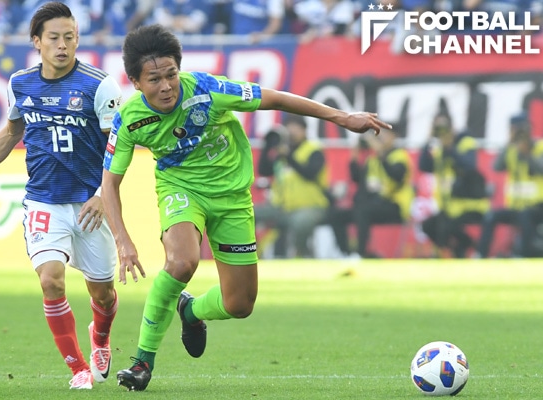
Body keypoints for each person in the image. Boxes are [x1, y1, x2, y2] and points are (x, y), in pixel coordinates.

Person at [101, 23, 391, 392]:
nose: (166, 86)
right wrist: (123, 241)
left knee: (239, 304)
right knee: (181, 262)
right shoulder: (129, 119)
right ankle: (143, 361)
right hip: (181, 190)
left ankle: (191, 310)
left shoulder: (207, 89)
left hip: (233, 198)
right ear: (135, 82)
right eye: (154, 79)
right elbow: (110, 184)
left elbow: (277, 99)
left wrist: (343, 117)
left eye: (171, 74)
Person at [0, 2, 122, 390]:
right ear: (37, 42)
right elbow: (12, 132)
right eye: (55, 38)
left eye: (70, 37)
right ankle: (78, 368)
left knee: (103, 294)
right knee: (51, 281)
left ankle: (101, 336)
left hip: (90, 203)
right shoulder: (20, 83)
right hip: (43, 200)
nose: (63, 45)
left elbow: (119, 144)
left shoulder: (99, 85)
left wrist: (101, 194)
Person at [254, 114, 331, 258]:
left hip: (311, 206)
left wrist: (288, 156)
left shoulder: (314, 150)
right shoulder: (282, 151)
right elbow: (264, 170)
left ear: (304, 130)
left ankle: (300, 254)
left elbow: (309, 173)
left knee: (301, 222)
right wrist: (267, 146)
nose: (292, 131)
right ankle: (251, 254)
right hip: (282, 207)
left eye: (296, 128)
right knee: (249, 213)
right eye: (289, 127)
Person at [329, 127, 413, 258]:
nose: (380, 138)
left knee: (363, 211)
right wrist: (355, 155)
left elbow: (396, 176)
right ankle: (347, 252)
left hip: (395, 205)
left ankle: (361, 253)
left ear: (394, 137)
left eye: (384, 135)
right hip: (373, 204)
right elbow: (358, 180)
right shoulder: (373, 159)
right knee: (337, 215)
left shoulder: (400, 156)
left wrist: (380, 153)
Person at [419, 113, 490, 258]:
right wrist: (428, 140)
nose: (442, 132)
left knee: (446, 225)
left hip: (470, 204)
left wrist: (450, 148)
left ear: (452, 127)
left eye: (444, 127)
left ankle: (462, 249)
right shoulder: (439, 148)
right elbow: (424, 166)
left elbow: (469, 166)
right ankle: (461, 248)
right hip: (450, 206)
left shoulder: (465, 142)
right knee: (428, 226)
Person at [476, 113, 543, 257]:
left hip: (537, 206)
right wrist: (509, 143)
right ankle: (481, 254)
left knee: (525, 216)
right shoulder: (511, 150)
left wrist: (528, 153)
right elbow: (496, 166)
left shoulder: (539, 147)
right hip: (516, 206)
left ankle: (524, 255)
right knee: (491, 216)